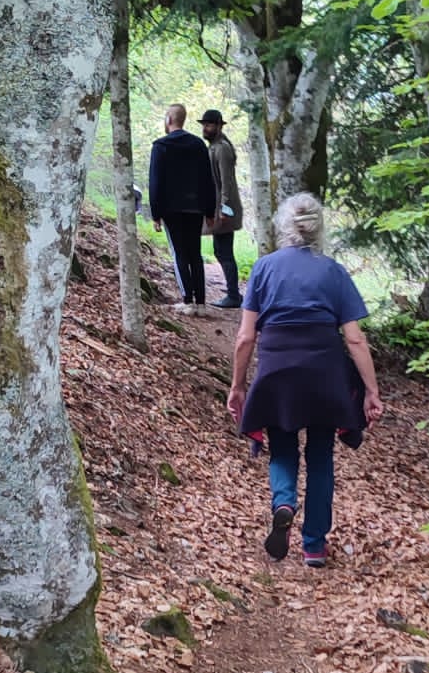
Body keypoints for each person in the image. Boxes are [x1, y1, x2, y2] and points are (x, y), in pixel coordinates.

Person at [226, 192, 383, 568]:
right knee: (320, 455)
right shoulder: (334, 272)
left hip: (277, 370)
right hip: (324, 372)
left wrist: (238, 385)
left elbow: (246, 337)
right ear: (318, 228)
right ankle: (314, 545)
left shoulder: (264, 268)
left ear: (283, 227)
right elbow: (355, 339)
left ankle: (283, 503)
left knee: (282, 447)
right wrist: (371, 391)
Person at [148, 102, 216, 311]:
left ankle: (188, 301)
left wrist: (155, 213)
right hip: (195, 208)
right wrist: (209, 210)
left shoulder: (161, 146)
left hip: (171, 209)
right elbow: (208, 180)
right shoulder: (198, 145)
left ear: (168, 119)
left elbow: (155, 181)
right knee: (195, 253)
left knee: (180, 253)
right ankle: (201, 303)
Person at [199, 108, 243, 308]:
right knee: (221, 250)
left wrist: (225, 208)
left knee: (224, 251)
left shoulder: (222, 149)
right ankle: (233, 292)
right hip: (218, 207)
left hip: (224, 209)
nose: (205, 128)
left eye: (209, 125)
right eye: (204, 125)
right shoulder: (214, 147)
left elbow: (227, 181)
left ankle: (233, 295)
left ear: (218, 126)